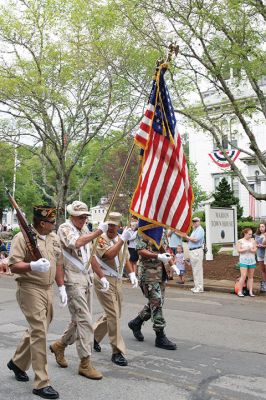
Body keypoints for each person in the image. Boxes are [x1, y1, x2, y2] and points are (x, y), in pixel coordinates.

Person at [7, 205, 66, 400]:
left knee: (38, 329)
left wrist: (61, 286)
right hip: (29, 288)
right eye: (52, 222)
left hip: (47, 289)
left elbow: (58, 262)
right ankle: (42, 383)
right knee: (40, 331)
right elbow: (13, 265)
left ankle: (17, 362)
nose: (54, 225)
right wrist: (32, 265)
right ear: (42, 223)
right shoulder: (22, 238)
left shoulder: (53, 237)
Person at [50, 201, 109, 380]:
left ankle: (60, 345)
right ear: (72, 216)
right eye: (81, 216)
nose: (84, 219)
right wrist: (98, 231)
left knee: (79, 320)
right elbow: (75, 244)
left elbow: (90, 257)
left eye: (85, 216)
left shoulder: (85, 230)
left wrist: (102, 276)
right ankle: (85, 362)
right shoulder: (64, 228)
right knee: (85, 320)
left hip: (86, 278)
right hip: (72, 279)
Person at [92, 212, 138, 367]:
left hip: (116, 280)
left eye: (114, 225)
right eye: (109, 224)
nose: (111, 228)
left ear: (119, 226)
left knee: (115, 313)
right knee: (113, 314)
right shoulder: (101, 238)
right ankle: (117, 351)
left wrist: (131, 273)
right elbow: (109, 255)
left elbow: (124, 258)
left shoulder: (120, 239)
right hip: (103, 278)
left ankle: (93, 336)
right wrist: (122, 240)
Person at [128, 233, 177, 350]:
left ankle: (137, 322)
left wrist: (172, 264)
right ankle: (160, 336)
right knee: (157, 302)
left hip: (161, 272)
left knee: (158, 302)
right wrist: (157, 256)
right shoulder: (144, 230)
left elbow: (165, 250)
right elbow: (140, 250)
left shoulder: (161, 231)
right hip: (149, 273)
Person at [185, 217, 205, 293]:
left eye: (196, 221)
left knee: (198, 270)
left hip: (197, 250)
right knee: (194, 269)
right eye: (193, 221)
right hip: (193, 251)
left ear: (199, 221)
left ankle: (200, 288)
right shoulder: (194, 230)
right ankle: (196, 286)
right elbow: (190, 240)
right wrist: (186, 237)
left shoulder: (200, 229)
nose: (194, 222)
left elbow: (195, 240)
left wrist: (187, 236)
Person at [236, 228, 257, 297]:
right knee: (243, 276)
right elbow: (238, 250)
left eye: (251, 234)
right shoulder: (240, 241)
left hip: (252, 260)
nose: (251, 235)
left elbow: (255, 250)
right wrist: (246, 249)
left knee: (251, 277)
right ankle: (240, 291)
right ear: (245, 233)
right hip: (243, 260)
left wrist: (251, 250)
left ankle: (250, 291)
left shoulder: (253, 240)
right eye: (249, 234)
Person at [255, 223, 266, 292]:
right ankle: (264, 284)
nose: (261, 228)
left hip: (265, 253)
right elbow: (255, 243)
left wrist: (265, 237)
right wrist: (257, 245)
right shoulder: (257, 235)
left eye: (262, 226)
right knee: (263, 270)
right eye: (260, 227)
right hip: (259, 254)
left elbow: (264, 243)